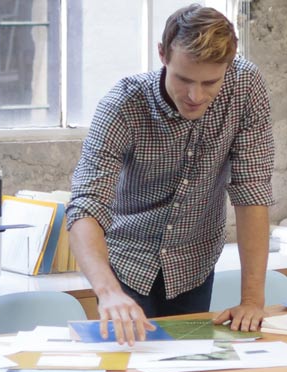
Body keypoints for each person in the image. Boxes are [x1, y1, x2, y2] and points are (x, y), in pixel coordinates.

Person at [66, 4, 274, 346]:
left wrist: (252, 301)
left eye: (210, 82)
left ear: (230, 63)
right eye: (184, 79)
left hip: (194, 263)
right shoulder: (123, 105)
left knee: (190, 365)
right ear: (162, 54)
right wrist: (108, 293)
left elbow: (252, 189)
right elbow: (86, 207)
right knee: (129, 366)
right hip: (126, 265)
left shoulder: (245, 86)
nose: (196, 96)